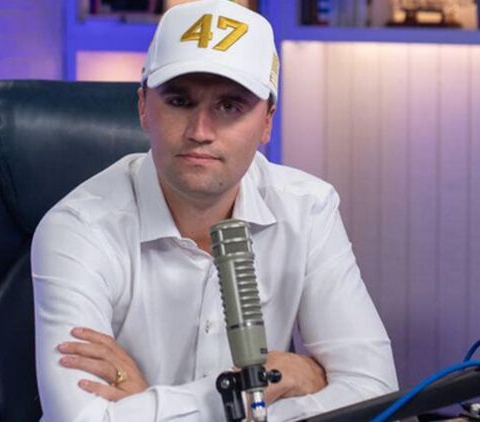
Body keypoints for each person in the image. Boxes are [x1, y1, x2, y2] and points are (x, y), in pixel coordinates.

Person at [31, 1, 398, 421]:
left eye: (229, 107)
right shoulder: (78, 227)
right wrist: (266, 386)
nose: (200, 132)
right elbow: (80, 419)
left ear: (267, 121)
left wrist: (148, 402)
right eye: (179, 101)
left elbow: (375, 392)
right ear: (143, 107)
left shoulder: (308, 209)